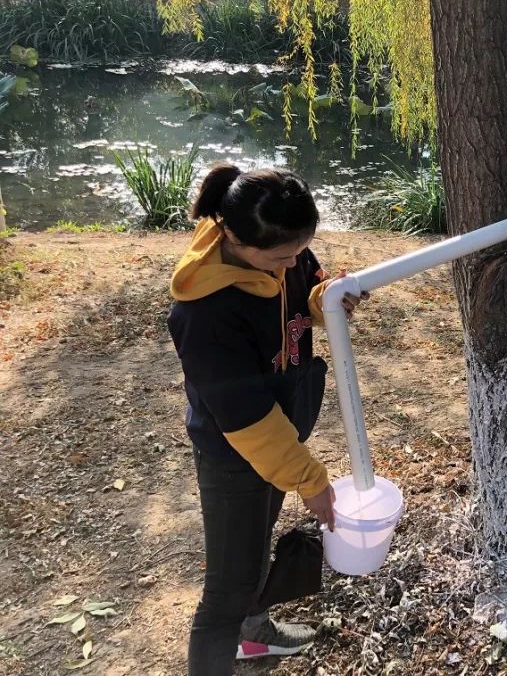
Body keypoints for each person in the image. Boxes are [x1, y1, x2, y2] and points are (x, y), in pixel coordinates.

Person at [168, 164, 363, 674]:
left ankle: (253, 638)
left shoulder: (284, 249)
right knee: (226, 593)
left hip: (281, 439)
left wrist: (330, 300)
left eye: (301, 251)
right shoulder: (205, 312)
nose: (293, 263)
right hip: (235, 456)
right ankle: (223, 648)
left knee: (255, 551)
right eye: (282, 257)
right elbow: (249, 421)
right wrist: (310, 479)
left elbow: (309, 291)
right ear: (233, 237)